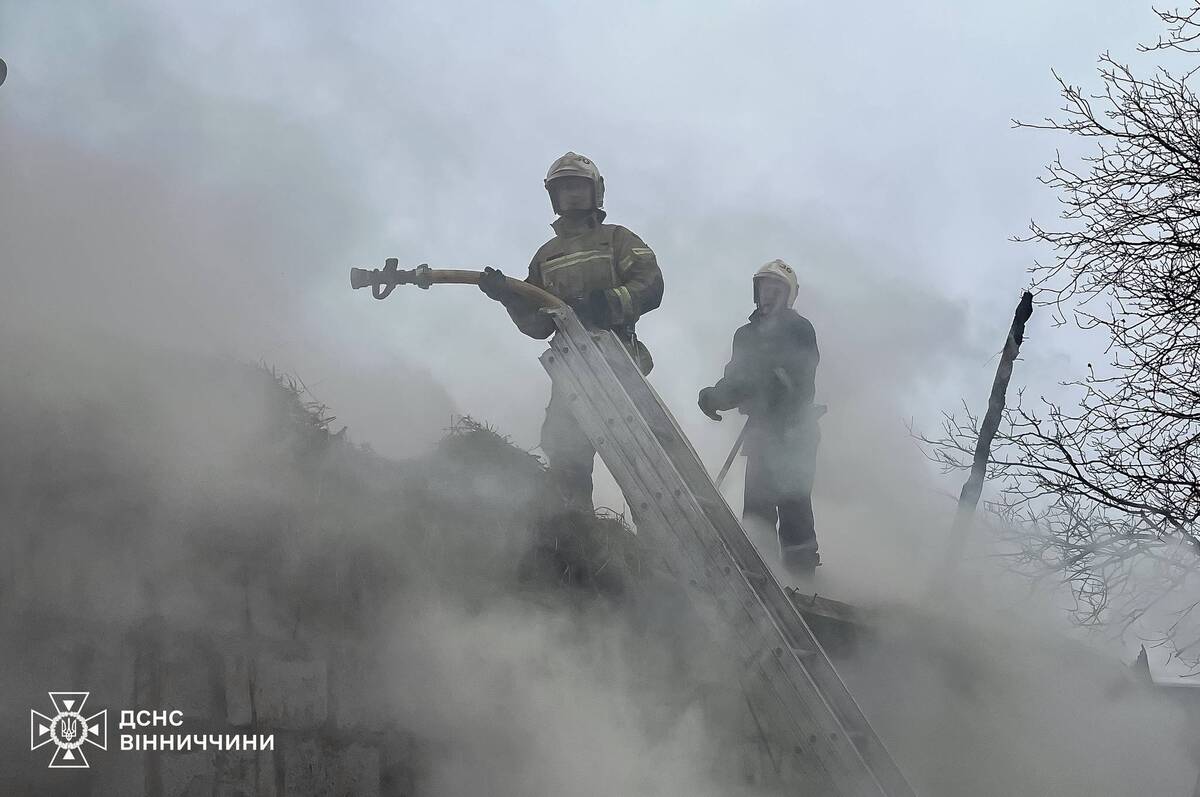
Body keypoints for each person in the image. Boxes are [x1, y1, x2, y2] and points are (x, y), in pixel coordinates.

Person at [477, 152, 664, 510]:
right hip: (570, 368)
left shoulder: (618, 239)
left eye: (579, 186)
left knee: (642, 461)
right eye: (565, 189)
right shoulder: (545, 257)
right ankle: (578, 537)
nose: (573, 195)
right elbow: (538, 324)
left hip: (617, 359)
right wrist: (508, 297)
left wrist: (607, 302)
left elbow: (651, 285)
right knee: (565, 454)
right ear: (554, 197)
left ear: (596, 192)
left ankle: (655, 543)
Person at [697, 260, 824, 574]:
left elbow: (803, 375)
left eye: (776, 288)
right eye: (765, 287)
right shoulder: (746, 335)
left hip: (794, 430)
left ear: (788, 295)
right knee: (757, 507)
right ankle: (758, 572)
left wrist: (779, 384)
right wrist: (715, 397)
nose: (769, 294)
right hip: (761, 433)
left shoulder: (799, 328)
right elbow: (737, 378)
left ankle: (802, 577)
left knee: (793, 500)